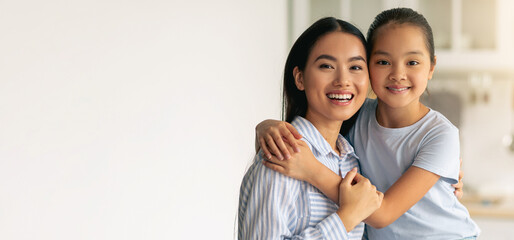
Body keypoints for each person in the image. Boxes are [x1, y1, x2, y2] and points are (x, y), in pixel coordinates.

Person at [256, 8, 480, 240]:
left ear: (431, 67)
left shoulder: (440, 134)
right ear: (368, 66)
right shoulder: (355, 114)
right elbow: (318, 124)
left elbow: (382, 215)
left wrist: (311, 170)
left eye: (412, 62)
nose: (398, 74)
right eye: (383, 61)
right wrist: (265, 127)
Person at [238, 17, 384, 239]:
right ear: (299, 78)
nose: (343, 80)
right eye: (326, 66)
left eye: (355, 67)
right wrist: (345, 218)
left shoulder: (351, 157)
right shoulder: (283, 155)